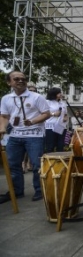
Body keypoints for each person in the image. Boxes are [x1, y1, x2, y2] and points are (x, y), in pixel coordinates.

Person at [0, 71, 50, 204]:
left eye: (23, 79)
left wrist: (33, 121)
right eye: (16, 79)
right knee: (13, 165)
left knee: (36, 165)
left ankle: (39, 190)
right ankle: (17, 191)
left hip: (34, 135)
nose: (21, 81)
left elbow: (46, 114)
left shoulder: (37, 97)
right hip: (15, 136)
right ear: (9, 82)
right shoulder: (6, 99)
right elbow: (4, 116)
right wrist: (2, 128)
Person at [44, 87, 68, 152]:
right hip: (50, 126)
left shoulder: (62, 103)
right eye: (58, 93)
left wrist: (65, 117)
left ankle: (59, 161)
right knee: (50, 146)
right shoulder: (47, 102)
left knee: (60, 146)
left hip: (61, 126)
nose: (60, 94)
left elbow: (65, 113)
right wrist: (54, 114)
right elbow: (43, 114)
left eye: (60, 93)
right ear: (53, 94)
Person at [22, 85, 38, 172]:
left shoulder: (38, 100)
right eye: (30, 90)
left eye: (34, 90)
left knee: (30, 148)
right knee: (23, 148)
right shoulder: (22, 100)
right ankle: (23, 164)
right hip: (22, 127)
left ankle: (29, 163)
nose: (32, 92)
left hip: (34, 126)